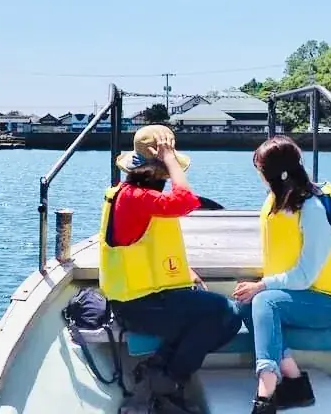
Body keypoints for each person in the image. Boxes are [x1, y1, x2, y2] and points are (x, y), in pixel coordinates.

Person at [99, 125, 241, 413]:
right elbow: (186, 200)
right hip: (138, 305)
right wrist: (171, 159)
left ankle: (158, 372)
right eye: (166, 173)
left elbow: (151, 244)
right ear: (158, 172)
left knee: (213, 313)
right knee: (227, 315)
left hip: (151, 297)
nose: (169, 179)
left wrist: (184, 270)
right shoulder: (135, 198)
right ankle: (166, 380)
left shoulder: (134, 195)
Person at [232, 136, 331, 414]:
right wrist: (258, 287)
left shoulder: (313, 209)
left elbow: (304, 275)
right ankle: (293, 379)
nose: (259, 177)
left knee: (263, 301)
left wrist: (263, 285)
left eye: (260, 170)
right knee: (246, 303)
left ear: (276, 173)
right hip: (299, 295)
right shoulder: (280, 200)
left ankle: (266, 389)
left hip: (327, 303)